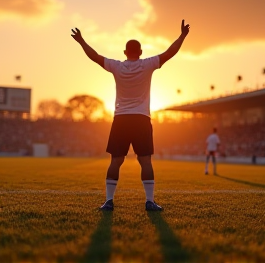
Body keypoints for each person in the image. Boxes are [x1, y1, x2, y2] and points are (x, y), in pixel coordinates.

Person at [71, 20, 190, 211]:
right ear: (140, 52)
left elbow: (95, 57)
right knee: (145, 161)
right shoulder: (148, 64)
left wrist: (81, 40)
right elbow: (170, 53)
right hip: (141, 119)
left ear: (125, 52)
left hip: (121, 119)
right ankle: (149, 202)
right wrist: (183, 36)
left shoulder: (117, 66)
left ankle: (109, 201)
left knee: (116, 161)